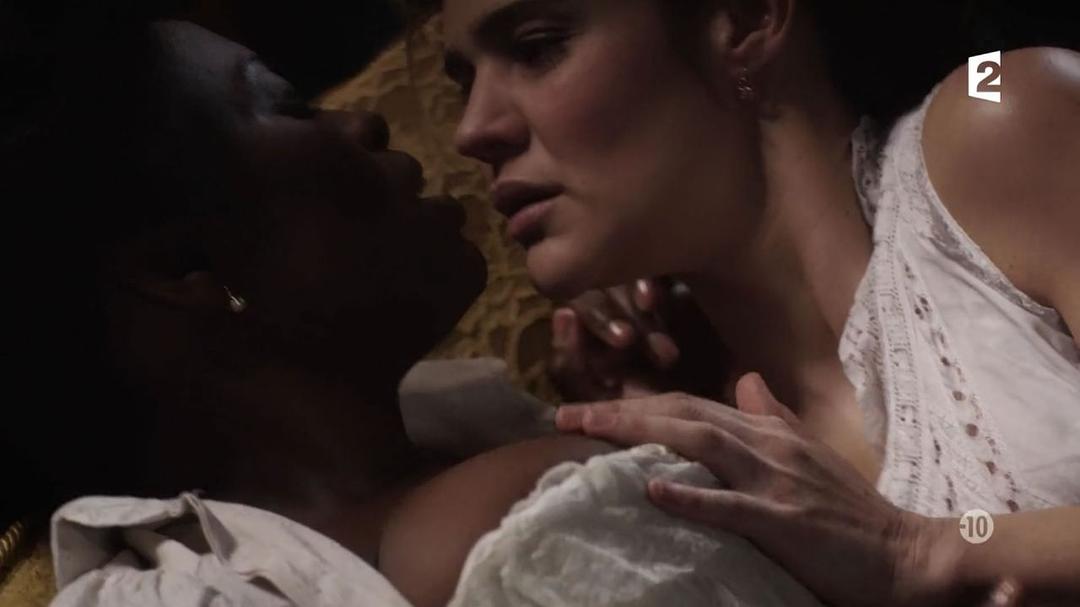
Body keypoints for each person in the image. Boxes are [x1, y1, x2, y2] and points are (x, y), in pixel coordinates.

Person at [437, 0, 1080, 604]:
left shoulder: (1000, 108)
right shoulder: (688, 452)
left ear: (745, 19)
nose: (472, 131)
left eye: (537, 47)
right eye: (465, 82)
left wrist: (927, 549)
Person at [2, 7, 623, 606]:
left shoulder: (483, 434)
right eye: (289, 106)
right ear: (184, 267)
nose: (363, 123)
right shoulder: (508, 521)